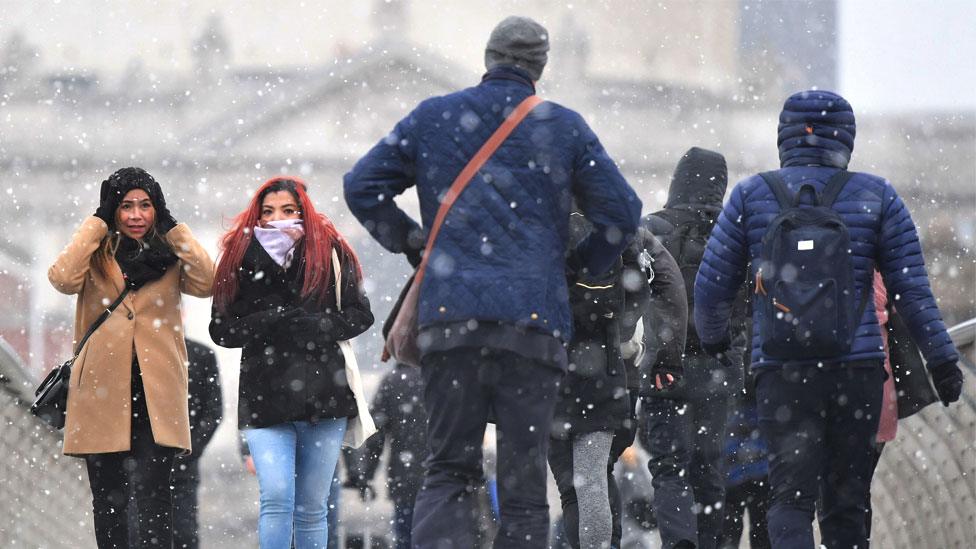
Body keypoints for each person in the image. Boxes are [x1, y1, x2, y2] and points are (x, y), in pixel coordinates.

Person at [343, 15, 641, 548]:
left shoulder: (435, 116)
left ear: (488, 58)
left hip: (451, 321)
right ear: (540, 66)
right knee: (524, 489)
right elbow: (623, 212)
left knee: (447, 470)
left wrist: (419, 248)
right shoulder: (563, 127)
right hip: (532, 326)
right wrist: (577, 266)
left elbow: (361, 186)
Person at [694, 90, 964, 548]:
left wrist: (716, 341)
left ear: (784, 136)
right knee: (846, 500)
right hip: (855, 369)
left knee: (789, 499)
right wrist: (942, 362)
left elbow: (710, 288)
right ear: (847, 137)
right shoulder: (877, 196)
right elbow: (912, 292)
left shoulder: (751, 196)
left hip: (781, 371)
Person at [47, 166, 214, 548]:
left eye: (146, 206)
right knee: (109, 504)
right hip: (102, 393)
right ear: (112, 209)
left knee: (157, 503)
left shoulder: (169, 255)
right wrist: (96, 223)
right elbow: (61, 279)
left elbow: (208, 281)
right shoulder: (95, 255)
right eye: (125, 206)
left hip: (156, 395)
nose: (136, 215)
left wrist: (173, 227)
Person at [210, 176, 375, 549]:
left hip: (324, 395)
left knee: (313, 508)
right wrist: (268, 320)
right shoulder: (238, 256)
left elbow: (360, 315)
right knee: (277, 498)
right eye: (267, 212)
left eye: (288, 210)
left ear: (304, 211)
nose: (277, 219)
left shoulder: (331, 251)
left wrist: (316, 325)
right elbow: (222, 331)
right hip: (264, 398)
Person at [548, 213, 686, 549]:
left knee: (573, 489)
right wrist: (664, 355)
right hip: (614, 367)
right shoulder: (624, 226)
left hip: (553, 366)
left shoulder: (545, 221)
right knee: (596, 476)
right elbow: (670, 285)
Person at [641, 147, 747, 549]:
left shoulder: (651, 229)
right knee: (709, 467)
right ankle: (709, 542)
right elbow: (747, 307)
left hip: (664, 368)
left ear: (677, 181)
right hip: (716, 369)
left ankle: (678, 543)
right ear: (720, 186)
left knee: (669, 467)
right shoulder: (734, 235)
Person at [346, 362, 428, 549]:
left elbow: (376, 437)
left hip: (405, 478)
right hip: (443, 480)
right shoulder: (442, 378)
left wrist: (366, 476)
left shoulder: (393, 381)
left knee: (406, 536)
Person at [171, 338, 224, 549]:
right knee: (140, 536)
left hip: (183, 466)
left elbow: (214, 412)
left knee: (184, 535)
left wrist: (188, 449)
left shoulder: (201, 355)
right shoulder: (136, 355)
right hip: (142, 466)